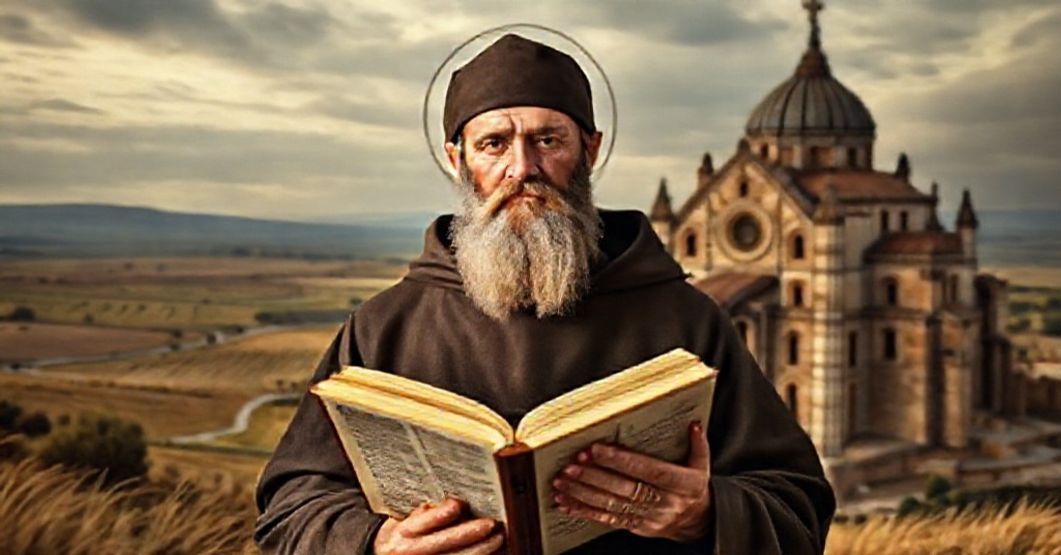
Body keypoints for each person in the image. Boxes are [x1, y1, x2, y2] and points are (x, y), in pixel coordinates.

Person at [254, 33, 836, 554]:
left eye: (547, 140)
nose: (522, 168)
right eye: (494, 144)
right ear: (457, 161)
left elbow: (796, 506)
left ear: (590, 149)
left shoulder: (687, 321)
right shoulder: (386, 327)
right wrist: (375, 544)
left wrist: (706, 516)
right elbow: (292, 506)